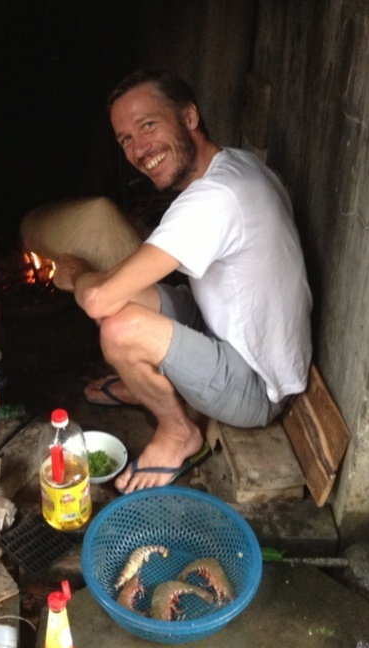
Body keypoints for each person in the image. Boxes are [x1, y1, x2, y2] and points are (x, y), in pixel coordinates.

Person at [52, 69, 312, 493]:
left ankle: (177, 433)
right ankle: (151, 386)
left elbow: (98, 300)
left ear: (189, 117)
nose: (139, 149)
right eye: (125, 139)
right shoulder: (237, 163)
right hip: (228, 330)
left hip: (256, 384)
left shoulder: (213, 199)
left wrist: (76, 273)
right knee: (127, 295)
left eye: (148, 125)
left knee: (118, 329)